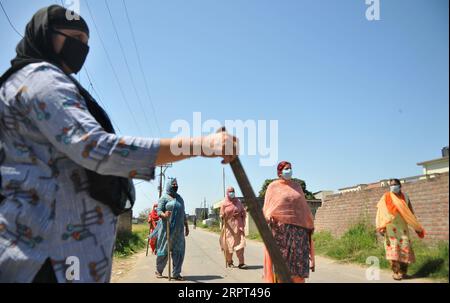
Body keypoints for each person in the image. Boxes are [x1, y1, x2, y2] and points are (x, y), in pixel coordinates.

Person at [0, 5, 238, 283]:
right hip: (46, 259)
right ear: (44, 35)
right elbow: (98, 149)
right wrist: (200, 145)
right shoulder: (40, 79)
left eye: (86, 43)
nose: (81, 49)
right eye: (74, 38)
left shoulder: (33, 83)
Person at [262, 161, 315, 283]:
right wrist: (269, 217)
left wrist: (308, 223)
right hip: (280, 232)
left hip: (299, 233)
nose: (289, 171)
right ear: (279, 172)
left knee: (298, 265)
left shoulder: (297, 187)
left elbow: (303, 208)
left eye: (290, 168)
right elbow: (268, 208)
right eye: (286, 168)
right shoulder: (273, 187)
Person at [376, 178, 425, 280]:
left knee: (404, 250)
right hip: (390, 228)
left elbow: (410, 213)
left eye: (395, 184)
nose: (393, 186)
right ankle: (396, 272)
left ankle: (403, 272)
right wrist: (381, 227)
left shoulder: (405, 197)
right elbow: (380, 213)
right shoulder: (386, 197)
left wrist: (415, 225)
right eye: (391, 185)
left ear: (400, 186)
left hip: (403, 229)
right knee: (393, 251)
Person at [151, 178, 188, 281]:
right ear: (169, 186)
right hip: (166, 230)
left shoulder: (180, 198)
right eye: (173, 185)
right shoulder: (164, 198)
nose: (175, 186)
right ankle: (159, 270)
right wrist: (164, 214)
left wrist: (186, 226)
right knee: (164, 250)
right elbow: (158, 211)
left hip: (179, 231)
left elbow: (183, 213)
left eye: (176, 185)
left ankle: (176, 273)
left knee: (179, 251)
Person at [219, 187, 247, 269]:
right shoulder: (224, 203)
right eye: (230, 192)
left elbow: (243, 212)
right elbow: (221, 214)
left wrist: (240, 214)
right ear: (227, 193)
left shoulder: (238, 202)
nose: (232, 193)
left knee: (240, 245)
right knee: (228, 246)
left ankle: (241, 263)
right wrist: (222, 216)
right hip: (229, 228)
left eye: (233, 191)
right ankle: (229, 262)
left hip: (238, 227)